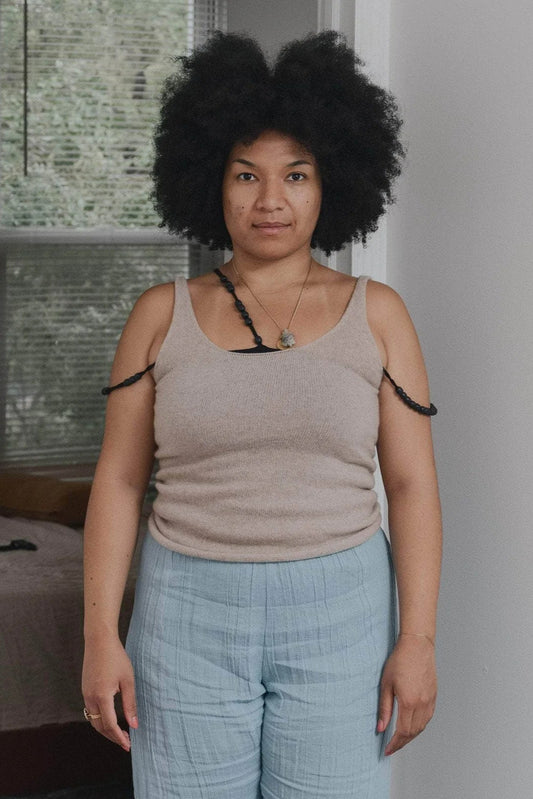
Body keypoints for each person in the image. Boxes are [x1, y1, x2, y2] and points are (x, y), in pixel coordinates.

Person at [82, 29, 442, 799]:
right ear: (211, 181)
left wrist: (415, 639)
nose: (269, 199)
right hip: (184, 614)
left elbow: (410, 487)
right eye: (246, 174)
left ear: (332, 184)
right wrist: (99, 635)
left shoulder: (379, 316)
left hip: (341, 612)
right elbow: (116, 482)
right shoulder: (157, 316)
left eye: (295, 175)